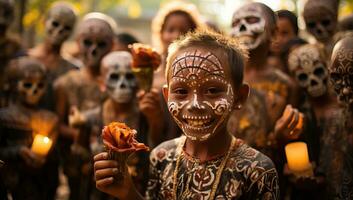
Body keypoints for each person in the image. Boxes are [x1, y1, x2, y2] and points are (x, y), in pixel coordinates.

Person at [94, 29, 279, 199]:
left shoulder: (257, 170)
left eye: (213, 90)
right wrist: (128, 193)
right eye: (181, 91)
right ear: (166, 96)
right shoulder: (161, 156)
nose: (194, 104)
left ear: (239, 97)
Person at [53, 14, 114, 200]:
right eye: (88, 42)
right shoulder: (65, 83)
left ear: (111, 45)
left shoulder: (117, 83)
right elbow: (56, 124)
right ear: (78, 42)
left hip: (109, 162)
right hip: (76, 163)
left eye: (101, 44)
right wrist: (77, 133)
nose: (93, 50)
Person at [0, 57, 59, 199]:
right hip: (12, 182)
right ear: (13, 86)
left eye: (40, 86)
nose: (34, 91)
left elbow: (55, 157)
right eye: (27, 85)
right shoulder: (4, 117)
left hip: (42, 184)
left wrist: (45, 158)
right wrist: (18, 151)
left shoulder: (49, 118)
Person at [28, 2, 78, 111]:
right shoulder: (23, 59)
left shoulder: (74, 69)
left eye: (67, 27)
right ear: (44, 22)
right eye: (55, 24)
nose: (60, 30)